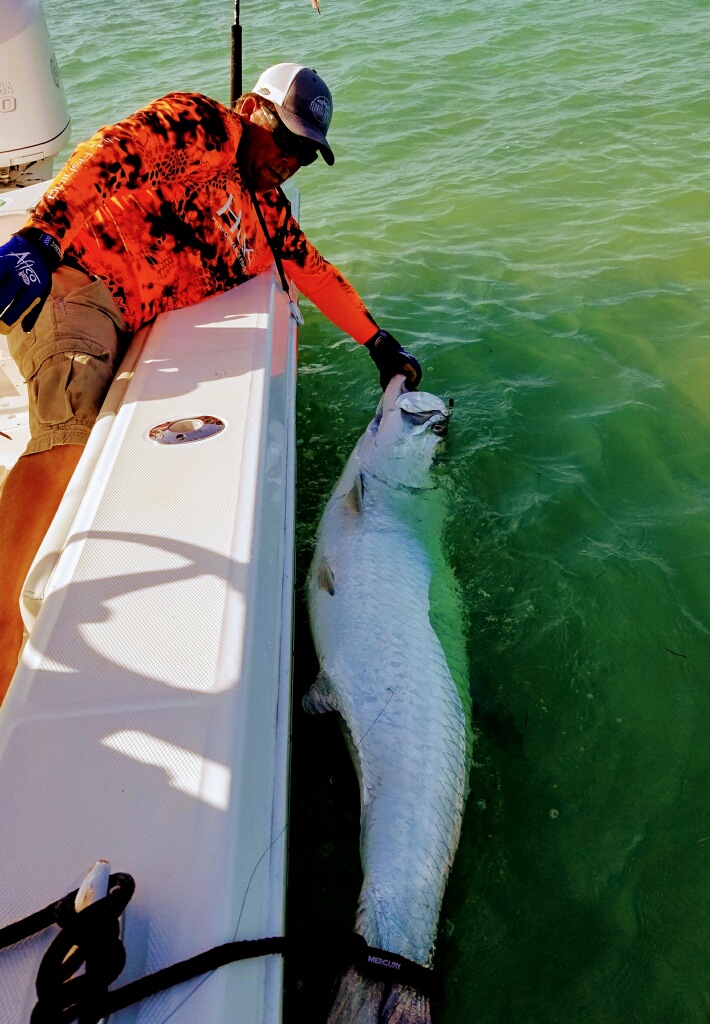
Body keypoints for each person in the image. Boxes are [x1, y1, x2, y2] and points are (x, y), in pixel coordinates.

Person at [0, 62, 422, 704]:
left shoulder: (268, 211)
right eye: (286, 143)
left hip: (136, 322)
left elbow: (315, 272)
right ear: (254, 111)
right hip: (79, 282)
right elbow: (114, 152)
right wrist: (40, 236)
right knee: (76, 418)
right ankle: (4, 610)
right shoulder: (201, 126)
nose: (290, 163)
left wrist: (380, 345)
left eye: (305, 156)